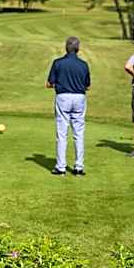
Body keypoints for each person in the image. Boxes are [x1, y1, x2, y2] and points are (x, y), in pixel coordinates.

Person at [46, 36, 91, 176]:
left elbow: (49, 83)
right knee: (79, 133)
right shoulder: (83, 64)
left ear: (66, 48)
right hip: (79, 98)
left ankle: (61, 167)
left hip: (63, 97)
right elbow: (88, 86)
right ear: (78, 49)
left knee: (62, 133)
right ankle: (79, 167)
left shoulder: (58, 63)